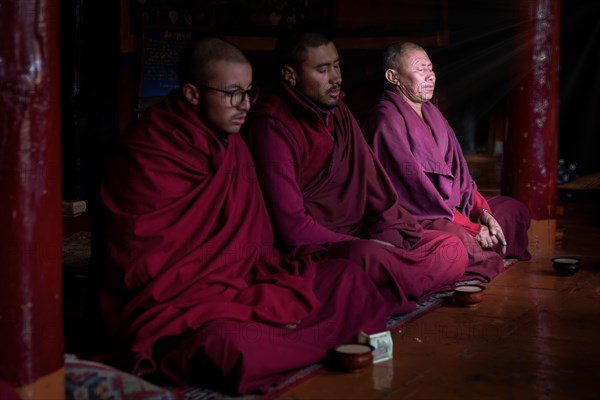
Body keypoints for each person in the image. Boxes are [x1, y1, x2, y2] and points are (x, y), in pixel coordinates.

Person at [98, 36, 388, 395]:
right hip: (184, 303)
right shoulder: (148, 151)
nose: (246, 105)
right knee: (229, 347)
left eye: (250, 92)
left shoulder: (233, 143)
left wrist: (246, 287)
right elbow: (140, 260)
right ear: (192, 94)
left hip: (246, 283)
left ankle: (290, 337)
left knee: (348, 278)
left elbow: (257, 244)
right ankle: (304, 337)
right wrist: (222, 293)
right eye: (233, 93)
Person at [244, 31, 469, 317]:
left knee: (450, 246)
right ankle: (384, 285)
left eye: (337, 66)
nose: (336, 77)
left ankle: (384, 286)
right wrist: (360, 244)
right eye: (323, 70)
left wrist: (390, 230)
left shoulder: (338, 110)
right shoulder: (272, 125)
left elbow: (375, 187)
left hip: (364, 233)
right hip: (323, 247)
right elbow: (292, 227)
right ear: (290, 75)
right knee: (368, 259)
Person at [362, 41, 531, 282]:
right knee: (454, 245)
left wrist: (483, 215)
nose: (430, 76)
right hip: (418, 217)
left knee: (513, 211)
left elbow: (462, 179)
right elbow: (415, 196)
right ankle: (480, 247)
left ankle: (484, 242)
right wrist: (471, 228)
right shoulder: (386, 121)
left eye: (431, 68)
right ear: (394, 76)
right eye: (421, 69)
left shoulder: (432, 113)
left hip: (453, 210)